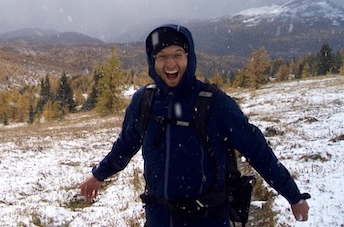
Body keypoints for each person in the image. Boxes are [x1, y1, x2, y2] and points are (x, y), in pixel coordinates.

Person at [79, 24, 310, 226]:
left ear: (189, 58)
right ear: (152, 61)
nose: (170, 63)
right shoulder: (144, 100)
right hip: (159, 217)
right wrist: (99, 175)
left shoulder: (215, 103)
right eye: (162, 56)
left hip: (208, 219)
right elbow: (126, 145)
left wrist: (293, 196)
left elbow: (258, 151)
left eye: (177, 54)